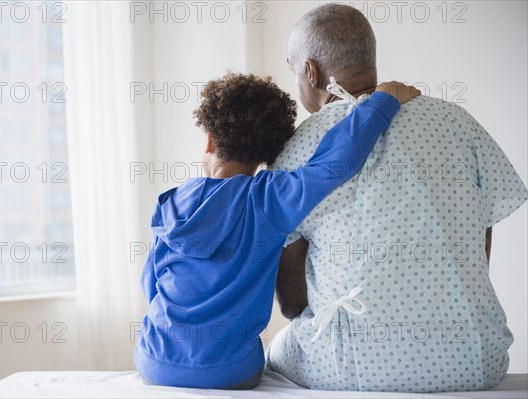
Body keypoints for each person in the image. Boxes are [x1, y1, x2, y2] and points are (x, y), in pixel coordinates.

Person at [266, 3, 528, 393]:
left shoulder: (296, 149)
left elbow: (292, 302)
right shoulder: (457, 122)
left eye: (293, 69)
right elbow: (478, 243)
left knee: (273, 350)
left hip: (347, 367)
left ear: (311, 71)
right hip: (475, 361)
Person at [134, 72, 418, 389]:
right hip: (232, 372)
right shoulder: (268, 199)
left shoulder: (169, 203)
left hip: (154, 362)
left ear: (210, 139)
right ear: (267, 153)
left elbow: (150, 284)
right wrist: (383, 102)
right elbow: (333, 164)